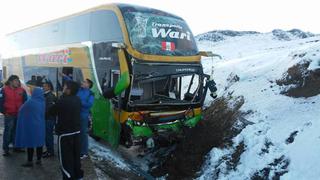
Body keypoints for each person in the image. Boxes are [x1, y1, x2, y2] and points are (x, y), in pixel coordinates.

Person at [51, 81, 83, 179]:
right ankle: (78, 176)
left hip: (65, 135)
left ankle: (68, 177)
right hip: (76, 133)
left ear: (69, 90)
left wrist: (55, 102)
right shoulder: (78, 99)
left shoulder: (62, 101)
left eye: (64, 87)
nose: (63, 88)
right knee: (75, 157)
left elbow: (51, 112)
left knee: (65, 160)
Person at [15, 87, 45, 167]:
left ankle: (30, 161)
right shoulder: (42, 102)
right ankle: (39, 160)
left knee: (30, 143)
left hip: (31, 126)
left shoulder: (30, 102)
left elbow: (21, 110)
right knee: (39, 143)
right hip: (40, 125)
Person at [0, 75, 27, 156]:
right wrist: (5, 112)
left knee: (17, 131)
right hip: (9, 115)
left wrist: (23, 112)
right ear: (11, 81)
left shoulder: (22, 90)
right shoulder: (4, 90)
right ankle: (6, 149)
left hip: (19, 115)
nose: (17, 82)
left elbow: (25, 102)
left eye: (18, 81)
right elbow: (0, 102)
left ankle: (16, 147)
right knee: (8, 132)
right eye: (15, 80)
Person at [77, 79, 94, 159]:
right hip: (75, 114)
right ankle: (78, 150)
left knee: (83, 134)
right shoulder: (79, 89)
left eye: (84, 82)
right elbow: (71, 83)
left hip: (83, 116)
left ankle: (84, 152)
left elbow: (89, 104)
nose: (82, 82)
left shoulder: (91, 93)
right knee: (77, 133)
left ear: (88, 85)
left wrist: (79, 102)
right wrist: (64, 76)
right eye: (83, 81)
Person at [42, 80, 57, 158]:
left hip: (48, 119)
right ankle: (48, 150)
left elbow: (48, 109)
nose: (43, 87)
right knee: (47, 135)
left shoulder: (50, 96)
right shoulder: (47, 95)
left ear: (49, 87)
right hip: (48, 118)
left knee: (48, 136)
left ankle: (50, 152)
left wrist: (43, 116)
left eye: (44, 86)